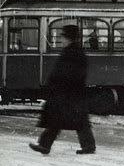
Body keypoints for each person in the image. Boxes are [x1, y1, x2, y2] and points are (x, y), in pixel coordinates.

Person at [29, 25, 96, 155]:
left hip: (68, 93)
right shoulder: (75, 51)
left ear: (69, 38)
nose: (62, 39)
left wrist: (55, 87)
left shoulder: (72, 52)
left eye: (64, 36)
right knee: (71, 120)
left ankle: (45, 145)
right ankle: (46, 145)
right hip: (72, 93)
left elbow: (66, 74)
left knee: (62, 119)